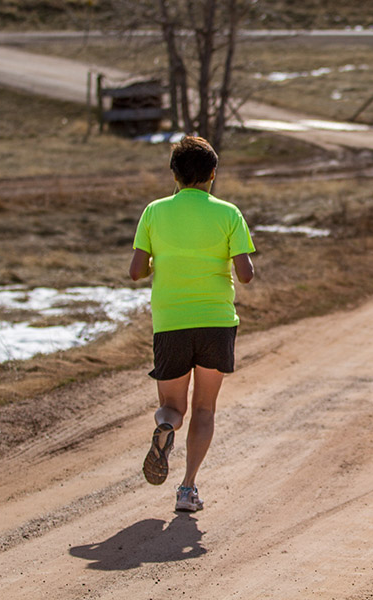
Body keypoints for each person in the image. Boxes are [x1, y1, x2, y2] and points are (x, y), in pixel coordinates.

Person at [129, 135, 255, 512]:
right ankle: (187, 489)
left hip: (171, 323)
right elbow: (246, 275)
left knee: (173, 407)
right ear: (213, 174)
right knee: (204, 410)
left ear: (174, 174)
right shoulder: (229, 213)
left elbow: (136, 271)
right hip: (216, 322)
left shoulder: (154, 212)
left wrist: (161, 262)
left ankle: (165, 427)